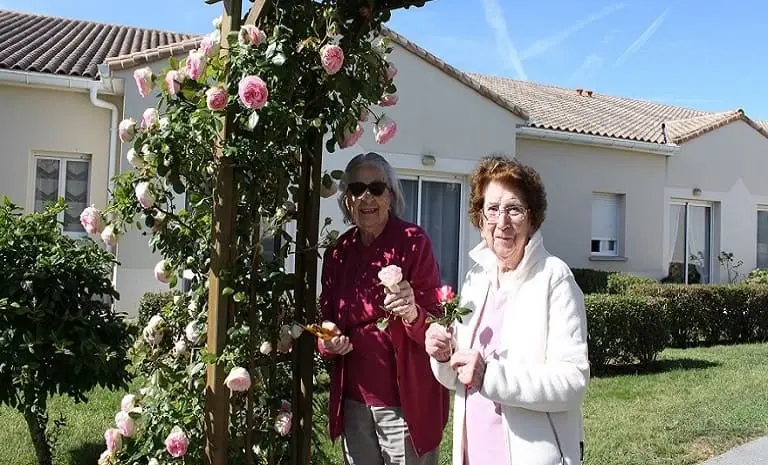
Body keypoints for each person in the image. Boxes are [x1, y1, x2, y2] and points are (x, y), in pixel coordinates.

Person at [425, 155, 589, 465]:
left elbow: (573, 383)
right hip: (475, 452)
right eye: (492, 209)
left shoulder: (554, 278)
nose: (502, 222)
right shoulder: (476, 278)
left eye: (514, 209)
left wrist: (491, 376)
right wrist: (445, 356)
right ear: (480, 217)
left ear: (532, 217)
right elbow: (461, 378)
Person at [317, 151, 450, 465]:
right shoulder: (339, 253)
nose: (366, 197)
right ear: (346, 199)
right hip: (354, 401)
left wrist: (411, 310)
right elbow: (326, 320)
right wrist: (329, 340)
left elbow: (435, 321)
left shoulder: (412, 242)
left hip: (405, 403)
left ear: (391, 195)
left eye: (376, 189)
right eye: (356, 189)